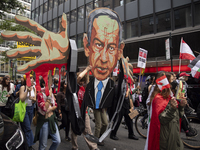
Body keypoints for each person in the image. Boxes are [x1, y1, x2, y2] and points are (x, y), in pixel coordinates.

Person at [81, 8, 125, 146]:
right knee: (99, 124)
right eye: (98, 45)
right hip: (95, 106)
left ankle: (99, 138)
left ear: (119, 51)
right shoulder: (91, 80)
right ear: (87, 46)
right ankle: (94, 141)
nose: (104, 58)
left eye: (111, 47)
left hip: (103, 107)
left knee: (105, 124)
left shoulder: (111, 83)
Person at [144, 72, 187, 150]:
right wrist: (172, 109)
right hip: (166, 138)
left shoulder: (171, 97)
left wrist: (181, 107)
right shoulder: (159, 99)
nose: (174, 84)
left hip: (174, 136)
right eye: (171, 81)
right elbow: (162, 119)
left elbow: (178, 116)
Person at [71, 65, 99, 150]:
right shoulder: (74, 87)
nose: (82, 83)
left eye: (83, 82)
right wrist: (86, 69)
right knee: (74, 131)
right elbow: (79, 77)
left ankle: (93, 147)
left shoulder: (83, 88)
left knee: (87, 130)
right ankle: (74, 147)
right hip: (75, 112)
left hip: (84, 112)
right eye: (81, 82)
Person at [34, 80, 61, 150]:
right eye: (49, 82)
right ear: (43, 84)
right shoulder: (40, 94)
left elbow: (55, 105)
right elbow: (44, 108)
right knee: (43, 145)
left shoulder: (51, 93)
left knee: (57, 141)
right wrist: (49, 97)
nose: (51, 84)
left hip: (52, 120)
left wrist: (50, 109)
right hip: (44, 121)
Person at [19, 75, 36, 150]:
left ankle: (24, 144)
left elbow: (35, 99)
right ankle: (30, 145)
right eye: (30, 78)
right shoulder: (23, 87)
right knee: (28, 128)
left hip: (30, 108)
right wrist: (27, 92)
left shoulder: (34, 88)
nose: (32, 80)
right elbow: (21, 99)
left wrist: (32, 98)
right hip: (23, 109)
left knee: (25, 128)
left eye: (32, 78)